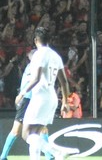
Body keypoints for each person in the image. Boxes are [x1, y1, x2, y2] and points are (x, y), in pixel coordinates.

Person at [16, 28, 71, 160]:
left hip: (40, 97)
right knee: (35, 133)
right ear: (49, 40)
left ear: (35, 40)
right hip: (52, 97)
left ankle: (56, 151)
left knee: (26, 134)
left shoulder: (39, 54)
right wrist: (65, 101)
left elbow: (36, 78)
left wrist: (22, 93)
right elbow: (64, 82)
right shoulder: (55, 55)